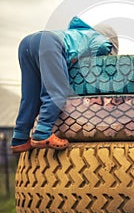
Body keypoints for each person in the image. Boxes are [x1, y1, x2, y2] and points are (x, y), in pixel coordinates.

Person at [11, 17, 119, 153]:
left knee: (31, 95)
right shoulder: (99, 38)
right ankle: (43, 132)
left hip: (26, 43)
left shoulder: (78, 34)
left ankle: (19, 138)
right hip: (49, 43)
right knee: (58, 91)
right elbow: (103, 47)